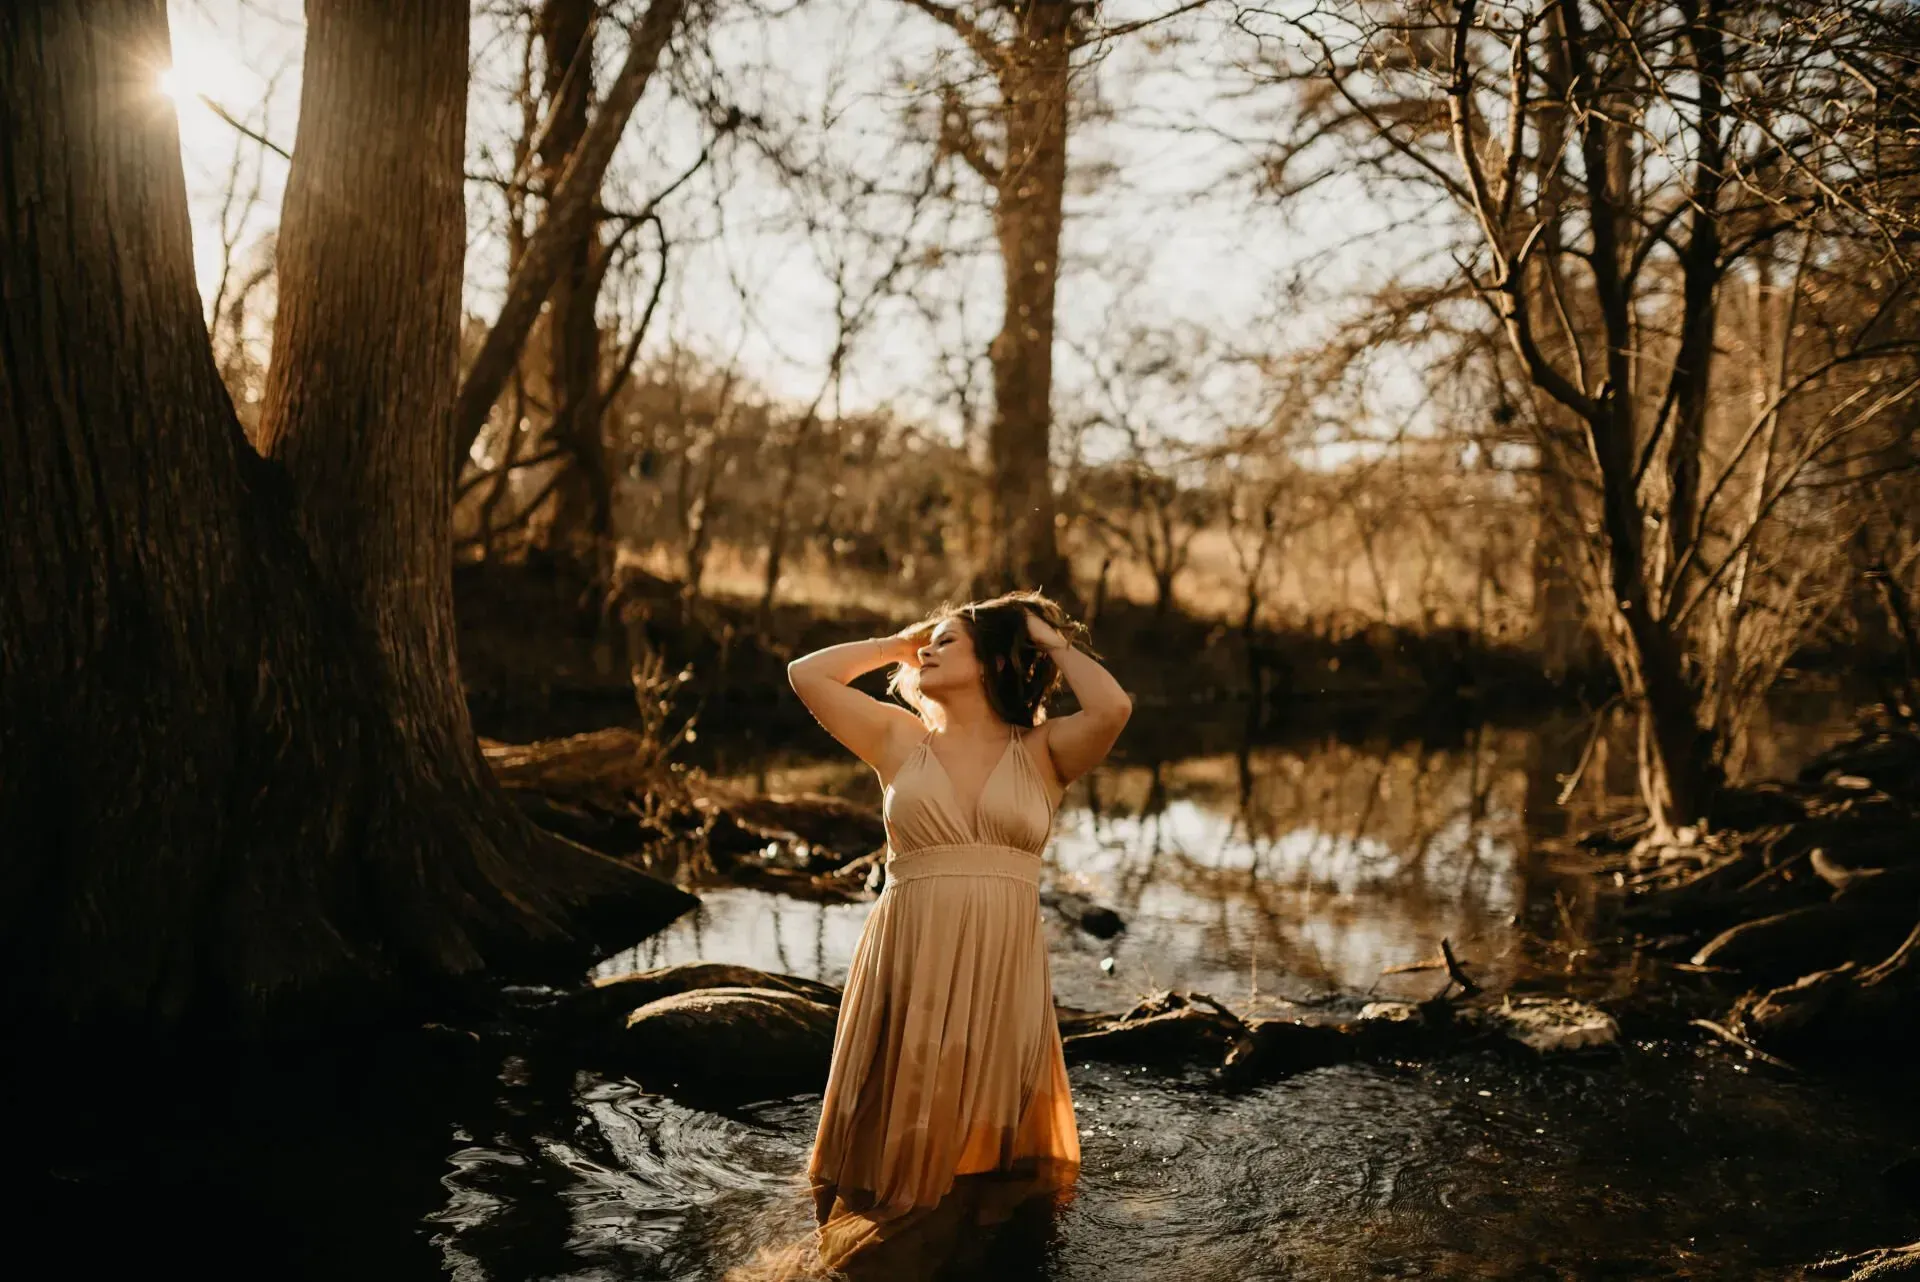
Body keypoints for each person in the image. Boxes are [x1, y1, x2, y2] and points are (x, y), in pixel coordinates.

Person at [785, 590, 1133, 1275]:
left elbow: (1113, 707)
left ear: (994, 662)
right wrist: (897, 641)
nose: (930, 650)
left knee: (982, 1163)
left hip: (1001, 960)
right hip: (911, 947)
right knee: (898, 1123)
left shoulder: (1043, 751)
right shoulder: (896, 737)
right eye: (930, 642)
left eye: (950, 640)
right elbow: (806, 674)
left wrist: (1047, 636)